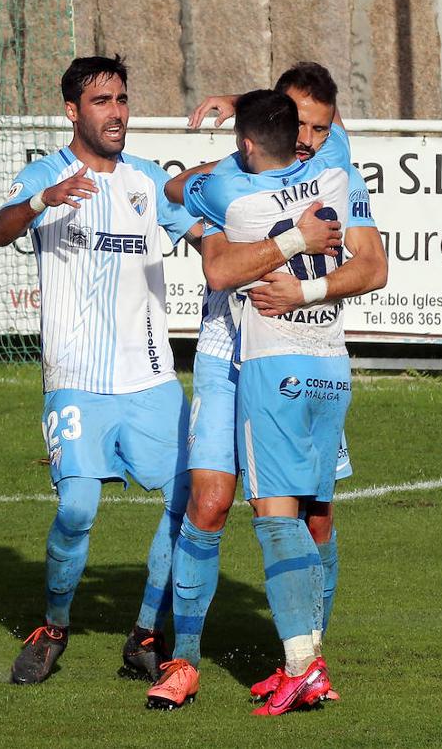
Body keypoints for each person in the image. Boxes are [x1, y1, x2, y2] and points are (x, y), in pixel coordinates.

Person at [145, 65, 386, 711]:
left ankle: (306, 657)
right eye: (298, 122)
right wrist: (213, 205)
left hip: (298, 349)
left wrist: (304, 283)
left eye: (319, 126)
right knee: (211, 501)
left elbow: (369, 260)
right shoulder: (230, 175)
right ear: (275, 118)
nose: (308, 137)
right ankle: (185, 660)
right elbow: (177, 199)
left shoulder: (334, 157)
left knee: (318, 516)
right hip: (231, 349)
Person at [0, 55, 204, 686]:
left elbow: (199, 229)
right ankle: (54, 626)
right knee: (78, 507)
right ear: (72, 111)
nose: (116, 113)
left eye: (122, 99)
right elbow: (0, 231)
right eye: (102, 101)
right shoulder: (46, 175)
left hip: (152, 378)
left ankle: (144, 633)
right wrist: (43, 200)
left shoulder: (145, 180)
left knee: (187, 502)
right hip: (76, 376)